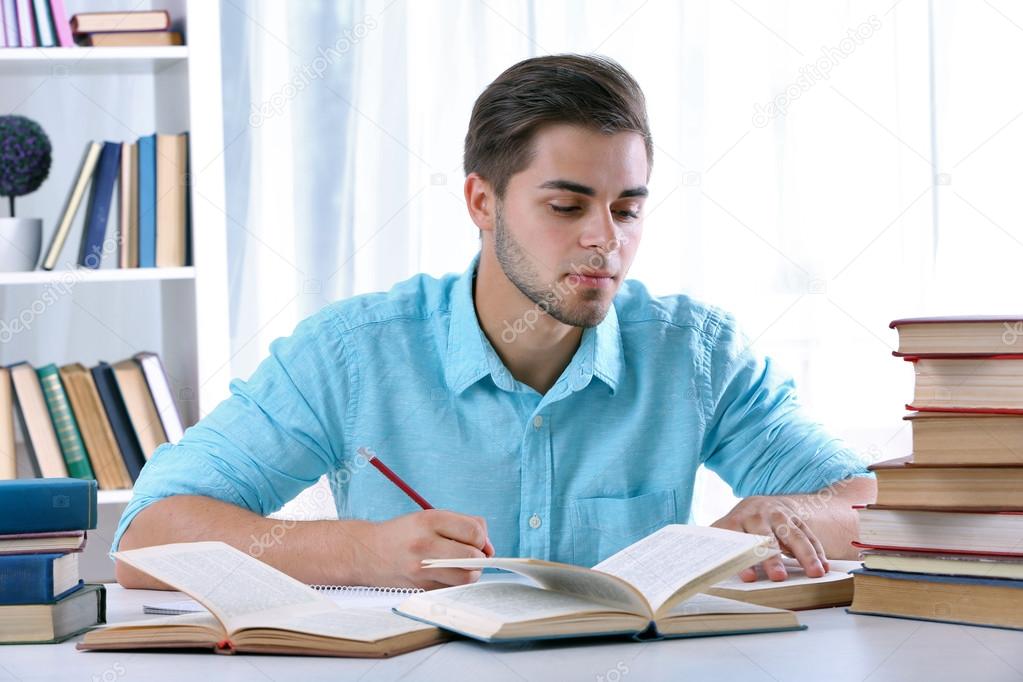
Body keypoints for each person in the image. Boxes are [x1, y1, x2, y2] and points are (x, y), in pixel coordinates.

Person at [115, 54, 876, 591]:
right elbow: (145, 539)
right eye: (566, 206)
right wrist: (358, 551)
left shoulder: (695, 355)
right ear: (482, 202)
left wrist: (790, 513)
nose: (604, 240)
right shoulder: (352, 354)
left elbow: (880, 507)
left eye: (627, 208)